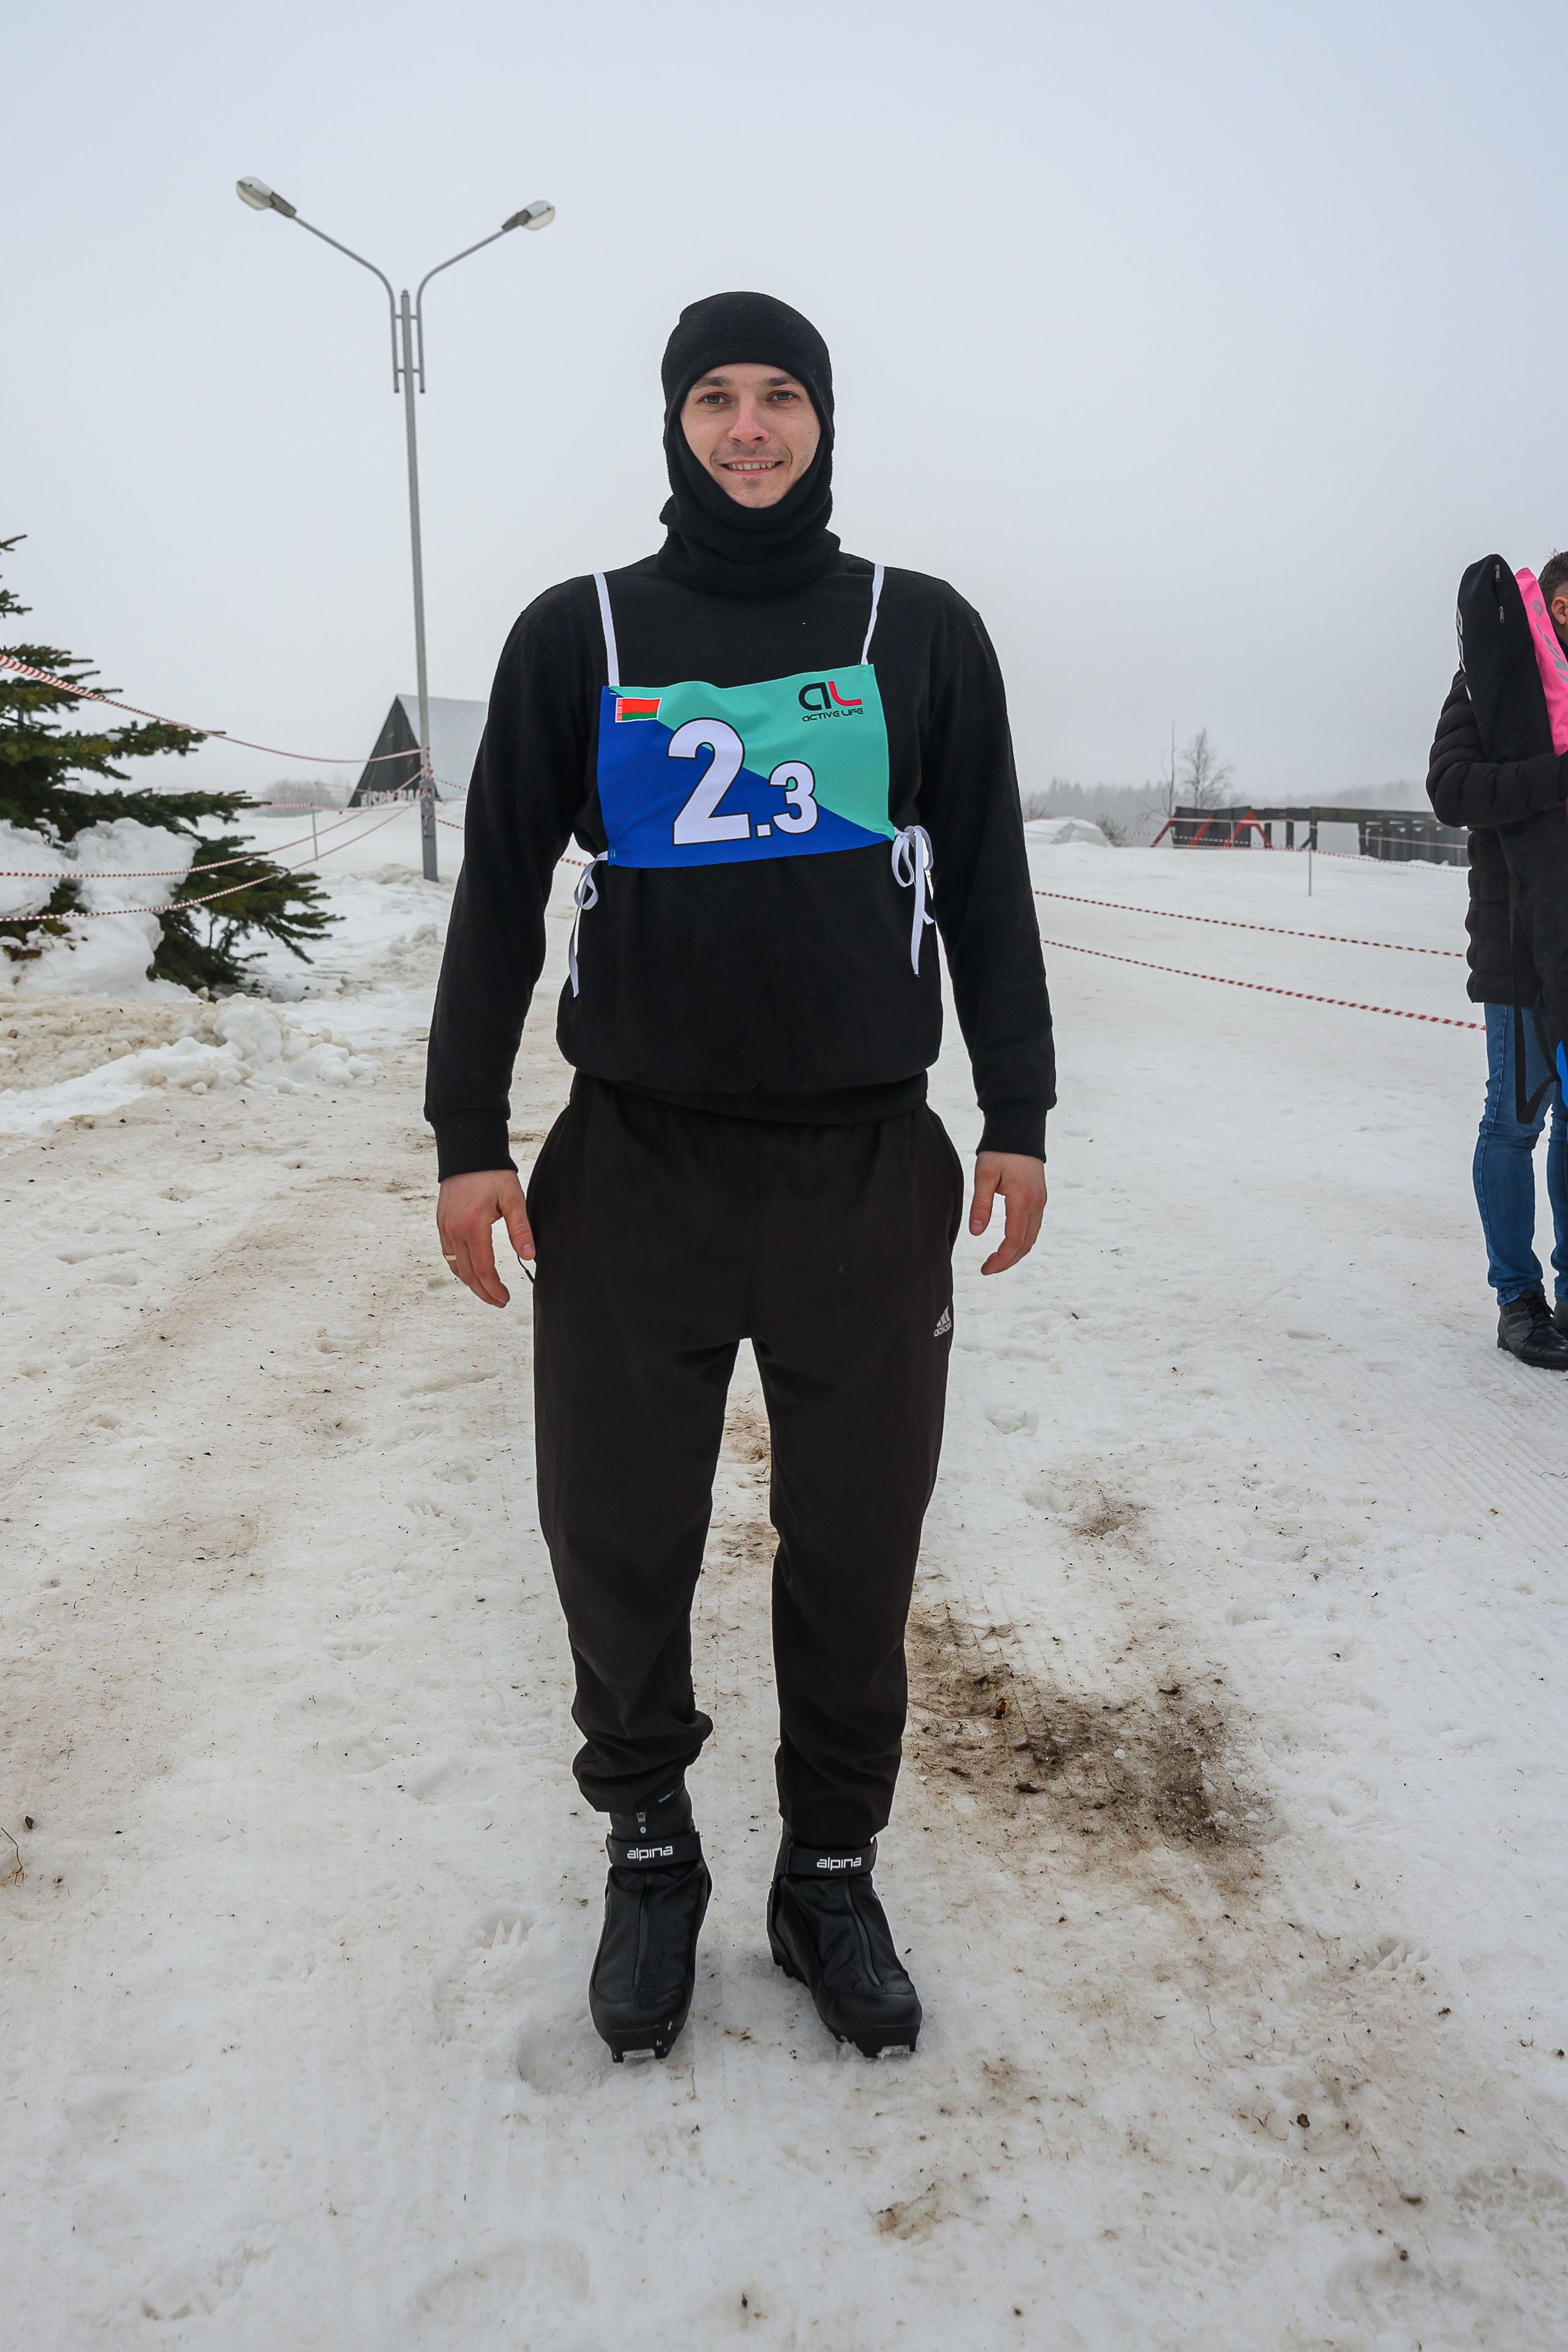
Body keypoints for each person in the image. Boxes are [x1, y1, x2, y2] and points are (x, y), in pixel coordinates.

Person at [426, 291, 1054, 2062]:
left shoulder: (915, 631)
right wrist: (467, 1136)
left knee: (856, 1544)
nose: (752, 426)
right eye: (719, 396)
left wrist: (1017, 1108)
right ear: (675, 423)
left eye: (782, 395)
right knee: (615, 1533)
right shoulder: (586, 631)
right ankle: (650, 1846)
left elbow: (994, 877)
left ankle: (830, 1871)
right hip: (638, 1163)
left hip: (867, 1165)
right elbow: (496, 897)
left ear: (825, 420)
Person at [1428, 549, 1568, 1368]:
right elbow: (1452, 789)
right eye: (1564, 599)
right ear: (1539, 602)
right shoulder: (1492, 679)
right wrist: (1557, 779)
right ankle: (1518, 1298)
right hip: (1518, 943)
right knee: (1515, 1124)